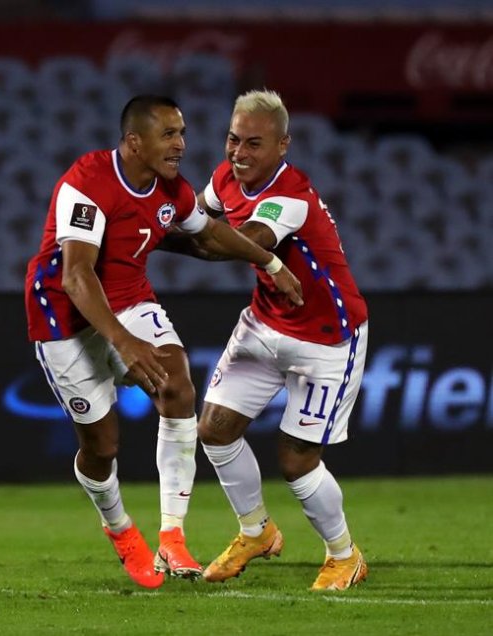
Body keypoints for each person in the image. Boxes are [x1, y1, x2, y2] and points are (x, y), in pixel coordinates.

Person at [24, 95, 303, 589]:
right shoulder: (87, 181)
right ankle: (119, 528)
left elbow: (211, 234)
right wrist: (124, 343)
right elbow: (76, 275)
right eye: (169, 134)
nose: (181, 144)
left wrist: (270, 263)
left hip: (129, 298)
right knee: (101, 447)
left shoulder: (172, 190)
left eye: (182, 132)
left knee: (178, 388)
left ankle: (171, 538)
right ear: (134, 142)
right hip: (64, 315)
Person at [164, 89, 369, 590]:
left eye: (253, 143)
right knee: (213, 429)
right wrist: (156, 222)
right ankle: (256, 531)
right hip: (265, 322)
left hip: (327, 338)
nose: (239, 153)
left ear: (282, 145)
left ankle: (345, 556)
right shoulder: (224, 178)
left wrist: (146, 234)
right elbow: (196, 219)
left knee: (298, 462)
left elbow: (240, 244)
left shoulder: (290, 197)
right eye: (233, 140)